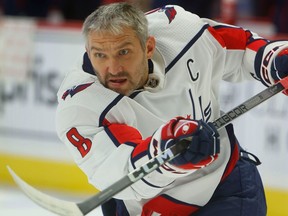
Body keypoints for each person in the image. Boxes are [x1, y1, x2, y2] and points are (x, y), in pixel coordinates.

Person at [56, 2, 288, 216]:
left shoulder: (180, 32)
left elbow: (236, 47)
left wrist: (273, 61)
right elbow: (121, 171)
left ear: (148, 47)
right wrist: (166, 151)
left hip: (224, 186)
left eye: (124, 52)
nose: (113, 68)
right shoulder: (80, 102)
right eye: (100, 55)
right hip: (145, 206)